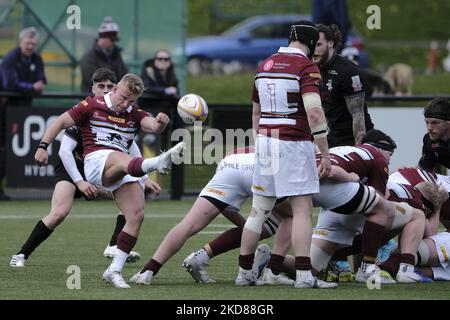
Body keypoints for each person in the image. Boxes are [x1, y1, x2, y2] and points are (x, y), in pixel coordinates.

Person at [34, 73, 186, 288]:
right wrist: (43, 146)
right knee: (124, 159)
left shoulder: (134, 113)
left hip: (121, 168)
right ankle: (156, 163)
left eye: (131, 101)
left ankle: (114, 270)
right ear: (114, 89)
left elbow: (151, 125)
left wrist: (161, 122)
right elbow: (59, 122)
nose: (125, 104)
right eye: (122, 97)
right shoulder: (91, 104)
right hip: (96, 161)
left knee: (136, 215)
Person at [8, 68, 154, 267]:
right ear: (92, 88)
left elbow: (131, 146)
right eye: (100, 86)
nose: (105, 90)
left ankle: (113, 245)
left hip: (102, 168)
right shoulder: (86, 109)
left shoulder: (124, 114)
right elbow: (64, 152)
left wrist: (145, 180)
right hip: (73, 167)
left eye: (109, 86)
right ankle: (22, 254)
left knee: (132, 203)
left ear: (116, 88)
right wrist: (80, 182)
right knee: (59, 212)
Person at [235, 21, 333, 289]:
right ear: (311, 43)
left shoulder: (264, 64)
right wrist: (324, 153)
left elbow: (255, 112)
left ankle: (244, 273)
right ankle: (303, 275)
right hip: (293, 143)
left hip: (266, 141)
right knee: (301, 209)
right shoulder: (306, 67)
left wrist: (260, 142)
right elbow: (314, 113)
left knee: (258, 210)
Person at [128, 149, 287, 285]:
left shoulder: (261, 143)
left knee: (188, 224)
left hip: (230, 165)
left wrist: (247, 227)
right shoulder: (296, 146)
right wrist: (250, 228)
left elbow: (225, 206)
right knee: (290, 217)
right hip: (263, 169)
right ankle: (274, 271)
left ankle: (147, 271)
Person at [313, 24, 374, 147]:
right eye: (312, 45)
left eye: (318, 45)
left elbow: (358, 115)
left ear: (330, 43)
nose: (314, 50)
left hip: (353, 138)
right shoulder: (314, 68)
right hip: (333, 135)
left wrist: (358, 150)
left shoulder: (348, 71)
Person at [79, 17, 128, 93]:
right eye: (112, 39)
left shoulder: (116, 54)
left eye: (115, 40)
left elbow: (124, 73)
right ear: (103, 38)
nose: (114, 42)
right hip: (93, 99)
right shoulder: (88, 57)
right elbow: (92, 79)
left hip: (113, 98)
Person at [419, 97, 450, 172]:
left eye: (435, 123)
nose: (429, 128)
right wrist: (406, 174)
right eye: (427, 122)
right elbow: (424, 171)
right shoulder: (429, 140)